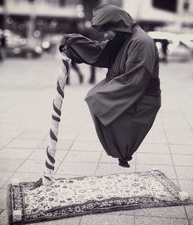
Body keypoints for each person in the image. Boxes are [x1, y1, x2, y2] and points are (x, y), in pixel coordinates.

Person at [60, 4, 161, 168]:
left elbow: (135, 78)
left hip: (140, 95)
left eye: (107, 30)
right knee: (98, 102)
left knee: (97, 99)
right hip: (127, 87)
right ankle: (123, 154)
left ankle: (124, 154)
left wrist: (100, 95)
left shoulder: (141, 42)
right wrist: (72, 45)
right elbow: (100, 51)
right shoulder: (124, 37)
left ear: (118, 26)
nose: (106, 35)